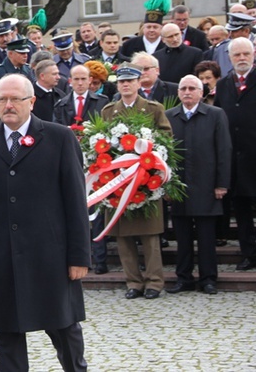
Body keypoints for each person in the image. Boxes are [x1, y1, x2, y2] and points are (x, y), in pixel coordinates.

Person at [0, 74, 90, 372]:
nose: (8, 105)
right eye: (1, 100)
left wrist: (79, 256)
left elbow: (75, 200)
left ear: (32, 101)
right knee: (7, 334)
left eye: (15, 99)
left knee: (64, 329)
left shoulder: (59, 137)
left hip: (50, 254)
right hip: (1, 256)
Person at [101, 63, 171, 299]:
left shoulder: (153, 108)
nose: (126, 85)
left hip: (146, 180)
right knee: (123, 237)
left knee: (149, 237)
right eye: (121, 82)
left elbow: (166, 138)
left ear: (139, 83)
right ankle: (133, 282)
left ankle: (154, 282)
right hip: (119, 183)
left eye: (130, 81)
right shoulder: (109, 111)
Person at [165, 75, 231, 295]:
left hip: (207, 185)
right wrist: (166, 186)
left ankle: (208, 279)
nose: (187, 92)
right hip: (179, 187)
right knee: (182, 239)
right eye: (183, 88)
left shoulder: (215, 115)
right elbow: (162, 155)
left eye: (192, 88)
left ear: (201, 93)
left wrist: (221, 184)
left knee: (206, 238)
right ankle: (183, 278)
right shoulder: (169, 117)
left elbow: (224, 151)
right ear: (178, 93)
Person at [213, 37, 256, 270]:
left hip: (255, 154)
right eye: (237, 55)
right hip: (235, 159)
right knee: (241, 211)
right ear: (229, 57)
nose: (241, 58)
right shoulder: (223, 84)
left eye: (245, 54)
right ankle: (249, 253)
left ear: (253, 55)